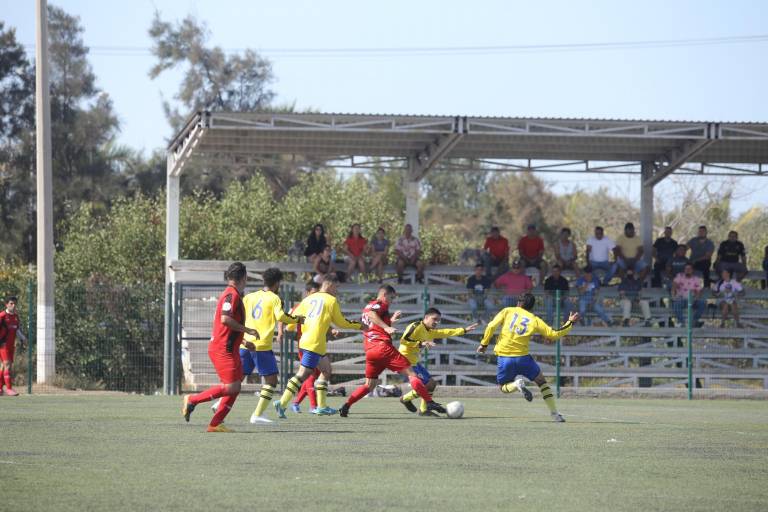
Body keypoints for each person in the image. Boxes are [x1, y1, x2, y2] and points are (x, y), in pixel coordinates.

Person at [338, 288, 461, 417]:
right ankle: (429, 403)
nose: (391, 301)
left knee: (369, 385)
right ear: (384, 294)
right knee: (412, 374)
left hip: (370, 350)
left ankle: (346, 406)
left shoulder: (368, 306)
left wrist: (390, 321)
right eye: (391, 297)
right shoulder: (379, 304)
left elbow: (371, 324)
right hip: (383, 348)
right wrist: (387, 327)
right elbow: (371, 314)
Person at [214, 268, 301, 424]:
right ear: (277, 283)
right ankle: (257, 415)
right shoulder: (274, 298)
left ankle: (219, 404)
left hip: (245, 343)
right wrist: (297, 319)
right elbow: (281, 316)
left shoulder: (249, 297)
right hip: (261, 345)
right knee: (271, 381)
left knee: (237, 379)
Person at [477, 293, 580, 422]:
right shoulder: (534, 319)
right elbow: (553, 334)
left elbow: (491, 326)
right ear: (531, 307)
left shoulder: (507, 311)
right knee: (541, 382)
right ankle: (555, 414)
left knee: (503, 387)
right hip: (523, 359)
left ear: (518, 303)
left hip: (504, 358)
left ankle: (516, 385)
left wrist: (484, 344)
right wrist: (570, 322)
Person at [182, 262, 259, 432]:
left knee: (235, 386)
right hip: (223, 349)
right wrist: (248, 330)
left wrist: (243, 341)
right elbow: (225, 319)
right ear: (244, 277)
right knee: (232, 387)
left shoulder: (231, 294)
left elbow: (226, 327)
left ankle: (215, 424)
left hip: (229, 348)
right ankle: (192, 400)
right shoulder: (231, 295)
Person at [274, 275, 364, 417]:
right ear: (329, 285)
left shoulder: (308, 299)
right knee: (303, 374)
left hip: (311, 342)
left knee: (326, 370)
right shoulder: (331, 300)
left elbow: (292, 320)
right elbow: (341, 322)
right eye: (336, 287)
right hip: (314, 343)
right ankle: (282, 403)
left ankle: (321, 406)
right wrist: (359, 326)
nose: (337, 291)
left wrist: (288, 328)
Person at [396, 308, 478, 416]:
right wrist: (421, 343)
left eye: (438, 320)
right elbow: (404, 340)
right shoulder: (416, 326)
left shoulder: (430, 332)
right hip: (404, 361)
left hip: (414, 362)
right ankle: (420, 408)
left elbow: (445, 332)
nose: (436, 322)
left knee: (431, 384)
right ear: (426, 317)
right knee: (426, 385)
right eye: (434, 319)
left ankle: (410, 402)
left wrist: (464, 330)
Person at [278, 281, 321, 414]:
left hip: (318, 345)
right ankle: (314, 406)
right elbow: (283, 318)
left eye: (317, 293)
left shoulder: (319, 306)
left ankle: (295, 403)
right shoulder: (300, 306)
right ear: (307, 293)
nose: (315, 296)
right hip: (305, 346)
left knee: (314, 374)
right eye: (313, 293)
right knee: (310, 375)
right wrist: (281, 332)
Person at [0, 296, 27, 396]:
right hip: (3, 345)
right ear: (6, 304)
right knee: (7, 364)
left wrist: (23, 338)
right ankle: (9, 389)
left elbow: (17, 329)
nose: (13, 305)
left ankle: (0, 388)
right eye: (11, 303)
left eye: (15, 303)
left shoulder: (15, 317)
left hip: (11, 345)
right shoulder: (2, 316)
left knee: (4, 366)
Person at [671, 263, 706, 327]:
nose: (687, 270)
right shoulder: (680, 276)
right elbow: (674, 285)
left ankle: (694, 321)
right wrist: (673, 295)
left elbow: (699, 291)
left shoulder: (696, 279)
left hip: (693, 300)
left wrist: (695, 299)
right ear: (684, 270)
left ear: (692, 270)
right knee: (676, 304)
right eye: (686, 269)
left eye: (689, 269)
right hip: (682, 299)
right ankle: (682, 322)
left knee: (702, 303)